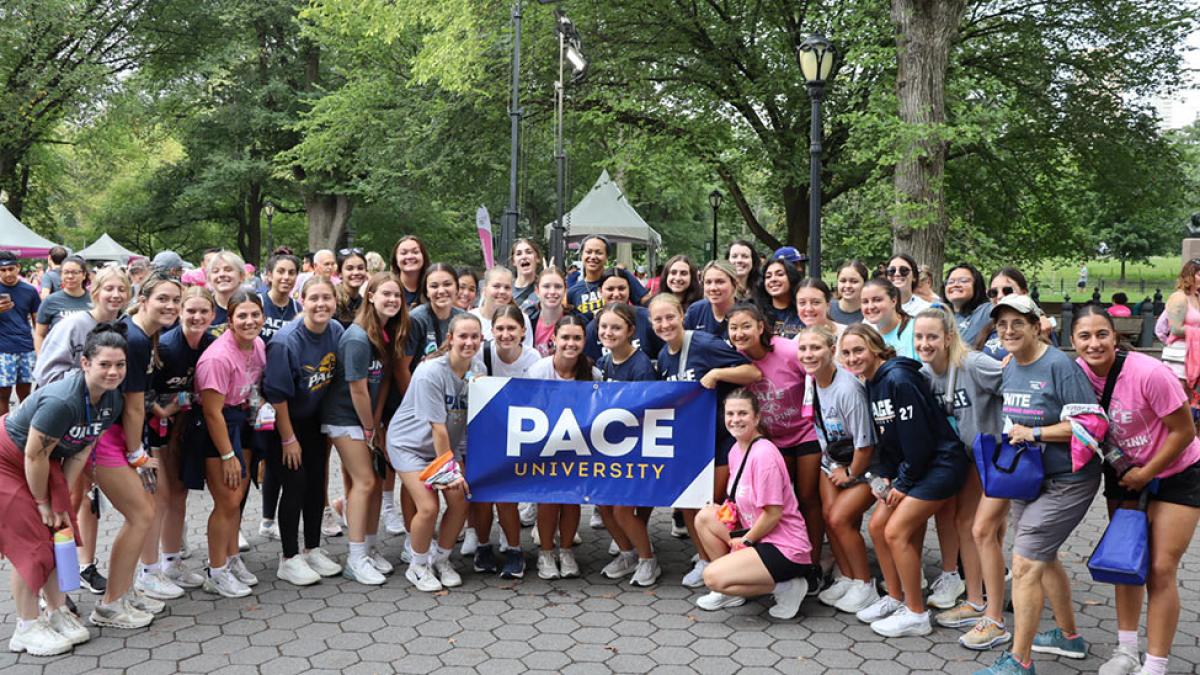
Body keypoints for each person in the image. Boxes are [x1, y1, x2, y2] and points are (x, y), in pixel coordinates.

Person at [975, 294, 1102, 675]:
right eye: (1002, 324)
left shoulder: (1059, 365)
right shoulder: (1011, 364)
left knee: (1025, 561)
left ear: (1035, 326)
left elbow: (1089, 425)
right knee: (1042, 558)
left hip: (1068, 480)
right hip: (1027, 478)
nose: (1009, 330)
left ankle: (1019, 660)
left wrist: (1034, 432)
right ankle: (1068, 637)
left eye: (1018, 323)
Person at [1071, 305, 1200, 675]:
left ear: (1115, 336)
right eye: (1084, 336)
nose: (1094, 344)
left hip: (1178, 469)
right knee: (1126, 562)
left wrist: (1148, 473)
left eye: (1102, 334)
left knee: (1160, 568)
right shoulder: (1076, 376)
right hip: (1124, 474)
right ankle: (1126, 650)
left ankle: (1155, 665)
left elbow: (1185, 432)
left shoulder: (1148, 373)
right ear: (1073, 341)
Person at [2, 324, 126, 653]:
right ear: (85, 363)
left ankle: (57, 612)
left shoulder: (112, 400)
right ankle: (26, 627)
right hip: (9, 459)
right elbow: (33, 453)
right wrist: (43, 502)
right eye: (104, 364)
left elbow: (82, 449)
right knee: (33, 545)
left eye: (120, 364)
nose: (113, 372)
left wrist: (62, 503)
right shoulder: (63, 400)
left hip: (45, 460)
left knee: (61, 531)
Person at [841, 323, 967, 638]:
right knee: (876, 527)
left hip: (940, 465)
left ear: (875, 347)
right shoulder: (871, 382)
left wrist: (903, 483)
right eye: (846, 352)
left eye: (859, 350)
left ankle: (916, 613)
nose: (853, 357)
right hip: (912, 467)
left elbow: (919, 441)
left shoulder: (899, 379)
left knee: (896, 532)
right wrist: (883, 475)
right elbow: (888, 441)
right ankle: (895, 598)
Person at [34, 266, 131, 599]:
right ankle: (57, 588)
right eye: (110, 288)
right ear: (96, 290)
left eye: (122, 289)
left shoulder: (123, 326)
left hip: (98, 425)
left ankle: (84, 565)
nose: (116, 295)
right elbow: (45, 373)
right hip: (64, 425)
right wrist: (82, 395)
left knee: (89, 500)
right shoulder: (74, 324)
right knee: (67, 500)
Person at [649, 293, 759, 587]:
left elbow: (753, 371)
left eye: (670, 317)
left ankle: (729, 567)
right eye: (658, 319)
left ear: (682, 315)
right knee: (688, 502)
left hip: (721, 440)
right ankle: (706, 559)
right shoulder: (663, 356)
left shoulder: (702, 343)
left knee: (714, 506)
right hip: (691, 443)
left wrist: (717, 373)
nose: (665, 324)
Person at [912, 308, 1008, 646]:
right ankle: (976, 600)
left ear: (948, 338)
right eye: (919, 337)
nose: (925, 343)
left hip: (996, 457)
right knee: (967, 525)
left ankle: (994, 617)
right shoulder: (925, 374)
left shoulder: (973, 364)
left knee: (983, 530)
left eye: (932, 337)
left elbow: (1013, 383)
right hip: (968, 459)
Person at [93, 274, 181, 622]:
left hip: (118, 434)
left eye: (176, 299)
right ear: (143, 299)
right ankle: (111, 605)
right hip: (106, 437)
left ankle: (125, 592)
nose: (171, 306)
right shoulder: (134, 339)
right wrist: (137, 454)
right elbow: (132, 406)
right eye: (163, 298)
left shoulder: (144, 336)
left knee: (143, 512)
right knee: (142, 514)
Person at [692, 389, 813, 620]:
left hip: (783, 545)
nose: (735, 419)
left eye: (742, 413)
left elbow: (773, 513)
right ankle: (734, 588)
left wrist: (745, 541)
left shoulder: (764, 454)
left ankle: (788, 587)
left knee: (712, 578)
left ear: (756, 417)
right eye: (730, 413)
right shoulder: (735, 449)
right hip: (757, 533)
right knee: (705, 517)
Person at [721, 304, 822, 576]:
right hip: (772, 439)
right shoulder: (734, 359)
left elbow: (815, 379)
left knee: (808, 496)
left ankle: (814, 560)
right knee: (780, 501)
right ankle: (778, 558)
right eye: (734, 328)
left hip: (804, 432)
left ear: (760, 327)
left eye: (746, 326)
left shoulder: (788, 350)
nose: (740, 333)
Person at [323, 274, 410, 586]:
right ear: (370, 295)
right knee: (365, 481)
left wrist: (377, 422)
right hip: (344, 418)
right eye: (386, 294)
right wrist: (370, 427)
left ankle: (370, 549)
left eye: (397, 296)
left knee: (374, 482)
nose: (392, 300)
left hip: (367, 419)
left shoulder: (385, 334)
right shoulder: (358, 337)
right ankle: (355, 558)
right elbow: (358, 389)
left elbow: (383, 381)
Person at [387, 312, 480, 592]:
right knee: (428, 507)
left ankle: (441, 558)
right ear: (450, 339)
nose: (469, 342)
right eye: (462, 336)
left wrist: (459, 461)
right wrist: (449, 472)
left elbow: (466, 422)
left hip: (445, 448)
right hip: (410, 445)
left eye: (474, 336)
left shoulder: (478, 372)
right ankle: (418, 565)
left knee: (460, 501)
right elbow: (438, 429)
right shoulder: (430, 372)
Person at [262, 276, 345, 587]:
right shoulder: (286, 341)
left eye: (327, 298)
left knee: (315, 485)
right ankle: (289, 557)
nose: (321, 304)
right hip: (284, 423)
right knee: (295, 485)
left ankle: (312, 548)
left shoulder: (335, 331)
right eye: (314, 298)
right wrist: (288, 439)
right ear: (302, 300)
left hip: (313, 421)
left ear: (335, 301)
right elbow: (277, 396)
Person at [796, 326, 880, 615]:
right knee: (828, 518)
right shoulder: (813, 381)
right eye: (803, 349)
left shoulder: (847, 389)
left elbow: (866, 444)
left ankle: (865, 584)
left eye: (815, 348)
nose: (809, 354)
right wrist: (832, 465)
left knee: (841, 518)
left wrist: (850, 473)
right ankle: (848, 576)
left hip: (863, 464)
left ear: (832, 351)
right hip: (833, 459)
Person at [193, 290, 265, 598]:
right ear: (230, 320)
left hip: (244, 421)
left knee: (239, 495)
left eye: (255, 314)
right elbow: (211, 411)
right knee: (226, 500)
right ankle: (216, 570)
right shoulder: (217, 358)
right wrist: (227, 455)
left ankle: (232, 557)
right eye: (242, 316)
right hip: (217, 428)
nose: (250, 321)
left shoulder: (259, 344)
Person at [150, 286, 216, 593]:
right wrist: (165, 408)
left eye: (204, 311)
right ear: (180, 311)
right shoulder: (165, 346)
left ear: (214, 315)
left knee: (178, 494)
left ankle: (172, 561)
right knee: (159, 498)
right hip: (156, 430)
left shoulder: (212, 345)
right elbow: (142, 390)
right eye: (191, 310)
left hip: (187, 429)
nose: (197, 316)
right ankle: (150, 572)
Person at [527, 315, 602, 579]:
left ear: (584, 340)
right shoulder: (539, 370)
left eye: (577, 338)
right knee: (547, 502)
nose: (570, 343)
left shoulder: (592, 373)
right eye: (565, 337)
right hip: (545, 447)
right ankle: (546, 553)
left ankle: (567, 550)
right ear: (553, 340)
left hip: (577, 448)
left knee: (572, 502)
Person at [468, 304, 538, 579]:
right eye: (500, 328)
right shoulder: (482, 354)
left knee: (506, 497)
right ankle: (483, 547)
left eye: (511, 328)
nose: (505, 334)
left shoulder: (533, 359)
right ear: (491, 330)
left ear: (522, 331)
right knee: (482, 495)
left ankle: (514, 549)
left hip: (519, 435)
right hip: (485, 432)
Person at [593, 303, 660, 587]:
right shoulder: (606, 362)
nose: (609, 332)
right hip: (611, 448)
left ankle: (648, 559)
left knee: (621, 509)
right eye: (604, 327)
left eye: (616, 327)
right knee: (602, 503)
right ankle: (627, 553)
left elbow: (646, 413)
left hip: (636, 450)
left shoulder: (641, 366)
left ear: (631, 331)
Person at [256, 250, 301, 542]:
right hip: (258, 393)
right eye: (280, 272)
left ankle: (275, 518)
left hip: (290, 392)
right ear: (269, 275)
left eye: (291, 273)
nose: (286, 277)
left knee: (282, 458)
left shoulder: (298, 307)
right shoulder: (259, 304)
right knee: (265, 458)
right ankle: (264, 518)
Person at [582, 269, 662, 362]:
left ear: (629, 289)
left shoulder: (647, 318)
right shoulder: (592, 329)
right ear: (600, 291)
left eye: (621, 288)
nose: (616, 294)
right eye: (610, 289)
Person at [566, 235, 648, 322]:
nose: (593, 257)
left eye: (599, 253)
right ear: (582, 255)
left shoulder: (620, 277)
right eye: (588, 252)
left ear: (606, 257)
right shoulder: (573, 292)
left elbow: (646, 301)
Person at [0, 250, 41, 416]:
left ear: (18, 267)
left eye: (11, 269)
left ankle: (23, 432)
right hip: (3, 349)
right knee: (3, 395)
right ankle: (2, 433)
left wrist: (40, 347)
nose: (8, 273)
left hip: (26, 347)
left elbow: (38, 322)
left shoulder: (29, 290)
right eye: (3, 270)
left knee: (25, 394)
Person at [409, 263, 465, 373]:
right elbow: (401, 368)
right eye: (434, 286)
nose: (441, 291)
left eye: (447, 284)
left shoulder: (462, 318)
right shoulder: (416, 319)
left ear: (457, 288)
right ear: (427, 292)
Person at [34, 256, 91, 351]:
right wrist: (41, 359)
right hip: (59, 358)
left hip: (90, 357)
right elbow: (39, 335)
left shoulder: (94, 300)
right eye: (66, 272)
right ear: (61, 275)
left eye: (75, 272)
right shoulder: (50, 301)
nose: (70, 276)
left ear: (84, 275)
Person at [469, 266, 534, 348]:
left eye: (507, 287)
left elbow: (526, 355)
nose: (502, 291)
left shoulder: (522, 319)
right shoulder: (470, 318)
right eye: (496, 286)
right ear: (484, 290)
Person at [1162, 259, 1200, 384]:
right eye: (1199, 274)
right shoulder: (1179, 297)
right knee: (1180, 396)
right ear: (1189, 276)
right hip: (1179, 356)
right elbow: (1176, 329)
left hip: (1195, 352)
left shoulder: (1196, 297)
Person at [861, 278, 915, 359]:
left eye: (877, 300)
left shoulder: (915, 329)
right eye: (865, 301)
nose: (870, 306)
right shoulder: (865, 335)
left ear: (893, 301)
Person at [685, 260, 739, 339]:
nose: (713, 288)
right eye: (708, 282)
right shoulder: (695, 311)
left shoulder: (747, 313)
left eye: (720, 282)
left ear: (734, 284)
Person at [944, 264, 992, 346]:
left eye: (964, 281)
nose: (955, 285)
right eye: (950, 282)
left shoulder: (986, 310)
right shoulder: (940, 313)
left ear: (976, 285)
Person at [757, 258, 803, 339]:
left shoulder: (804, 311)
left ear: (791, 277)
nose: (773, 279)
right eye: (768, 276)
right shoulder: (756, 312)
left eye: (780, 274)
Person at [529, 267, 568, 357]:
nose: (552, 291)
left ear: (565, 290)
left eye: (558, 287)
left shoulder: (577, 320)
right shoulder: (528, 322)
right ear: (537, 291)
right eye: (546, 286)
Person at [205, 250, 246, 335]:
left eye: (228, 270)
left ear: (241, 276)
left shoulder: (252, 306)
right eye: (215, 271)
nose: (222, 274)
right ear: (209, 279)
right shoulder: (203, 308)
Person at [333, 248, 369, 327]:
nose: (356, 272)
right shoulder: (333, 302)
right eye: (349, 268)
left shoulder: (364, 303)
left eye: (360, 268)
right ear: (339, 273)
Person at [391, 236, 430, 307]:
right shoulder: (388, 287)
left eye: (415, 252)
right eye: (403, 253)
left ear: (423, 257)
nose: (410, 257)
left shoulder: (433, 286)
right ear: (396, 260)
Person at [510, 238, 543, 314]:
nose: (524, 257)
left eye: (528, 252)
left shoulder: (544, 288)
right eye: (519, 254)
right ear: (513, 261)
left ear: (537, 258)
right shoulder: (506, 289)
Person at [831, 260, 869, 325]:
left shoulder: (872, 312)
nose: (848, 286)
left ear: (865, 283)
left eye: (854, 281)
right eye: (843, 281)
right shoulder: (827, 310)